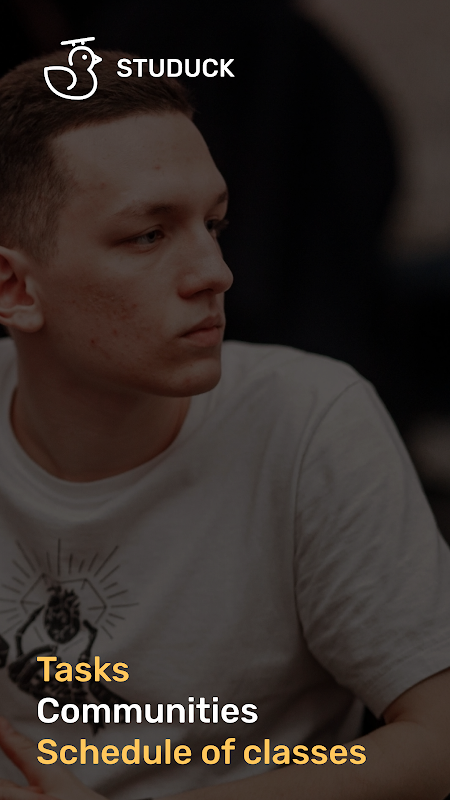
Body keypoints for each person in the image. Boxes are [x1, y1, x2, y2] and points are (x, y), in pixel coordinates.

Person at [0, 50, 448, 800]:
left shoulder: (307, 418)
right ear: (14, 286)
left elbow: (437, 740)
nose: (215, 271)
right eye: (149, 235)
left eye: (214, 224)